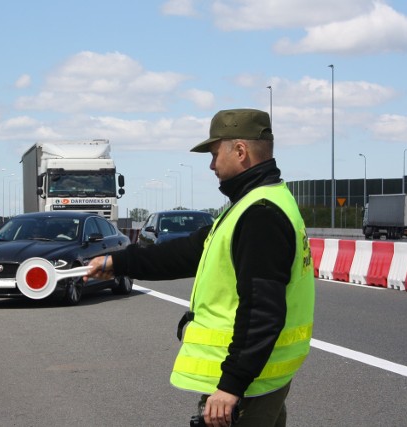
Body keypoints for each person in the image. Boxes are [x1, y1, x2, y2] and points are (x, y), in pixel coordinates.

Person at [85, 108, 315, 427]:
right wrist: (118, 262)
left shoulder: (259, 214)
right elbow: (186, 252)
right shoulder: (260, 203)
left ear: (240, 151)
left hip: (247, 389)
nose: (211, 165)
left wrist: (230, 386)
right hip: (266, 380)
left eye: (214, 153)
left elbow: (262, 312)